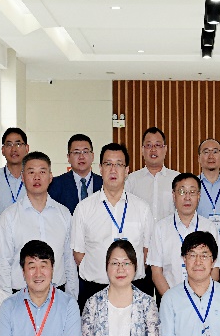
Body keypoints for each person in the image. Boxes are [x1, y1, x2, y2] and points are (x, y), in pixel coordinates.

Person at [71, 143, 154, 307]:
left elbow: (147, 252)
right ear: (100, 169)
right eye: (108, 164)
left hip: (135, 289)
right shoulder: (84, 208)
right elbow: (79, 254)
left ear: (127, 170)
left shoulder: (142, 208)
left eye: (119, 164)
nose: (113, 170)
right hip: (95, 290)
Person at [0, 152, 74, 295]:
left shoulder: (64, 214)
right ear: (23, 177)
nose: (37, 177)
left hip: (57, 293)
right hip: (20, 294)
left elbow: (69, 260)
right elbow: (3, 263)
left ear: (50, 177)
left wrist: (71, 297)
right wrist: (6, 300)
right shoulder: (9, 216)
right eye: (31, 172)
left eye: (42, 172)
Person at [149, 173, 220, 295]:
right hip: (170, 299)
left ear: (199, 196)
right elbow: (156, 272)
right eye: (182, 192)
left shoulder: (209, 227)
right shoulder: (160, 228)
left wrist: (200, 297)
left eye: (192, 192)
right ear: (173, 195)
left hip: (203, 299)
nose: (187, 197)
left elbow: (215, 269)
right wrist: (171, 300)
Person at [126, 126, 180, 222]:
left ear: (165, 149)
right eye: (149, 145)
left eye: (158, 145)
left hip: (169, 231)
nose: (153, 149)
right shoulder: (131, 180)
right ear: (142, 150)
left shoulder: (177, 179)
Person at [0, 127, 30, 222]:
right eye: (9, 145)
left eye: (18, 144)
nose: (14, 149)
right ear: (3, 150)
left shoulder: (34, 179)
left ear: (27, 148)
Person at [48, 133, 102, 213]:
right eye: (76, 152)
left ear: (92, 156)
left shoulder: (103, 184)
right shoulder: (55, 185)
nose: (81, 157)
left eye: (85, 152)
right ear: (68, 157)